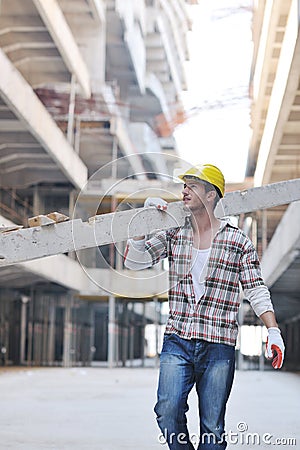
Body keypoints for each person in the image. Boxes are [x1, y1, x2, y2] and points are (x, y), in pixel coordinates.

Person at [124, 164, 285, 450]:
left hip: (218, 345)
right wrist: (143, 223)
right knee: (167, 410)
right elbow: (134, 262)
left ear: (211, 195)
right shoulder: (175, 233)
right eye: (184, 185)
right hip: (178, 338)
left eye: (192, 186)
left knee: (212, 426)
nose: (184, 190)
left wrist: (273, 331)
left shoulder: (238, 242)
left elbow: (256, 290)